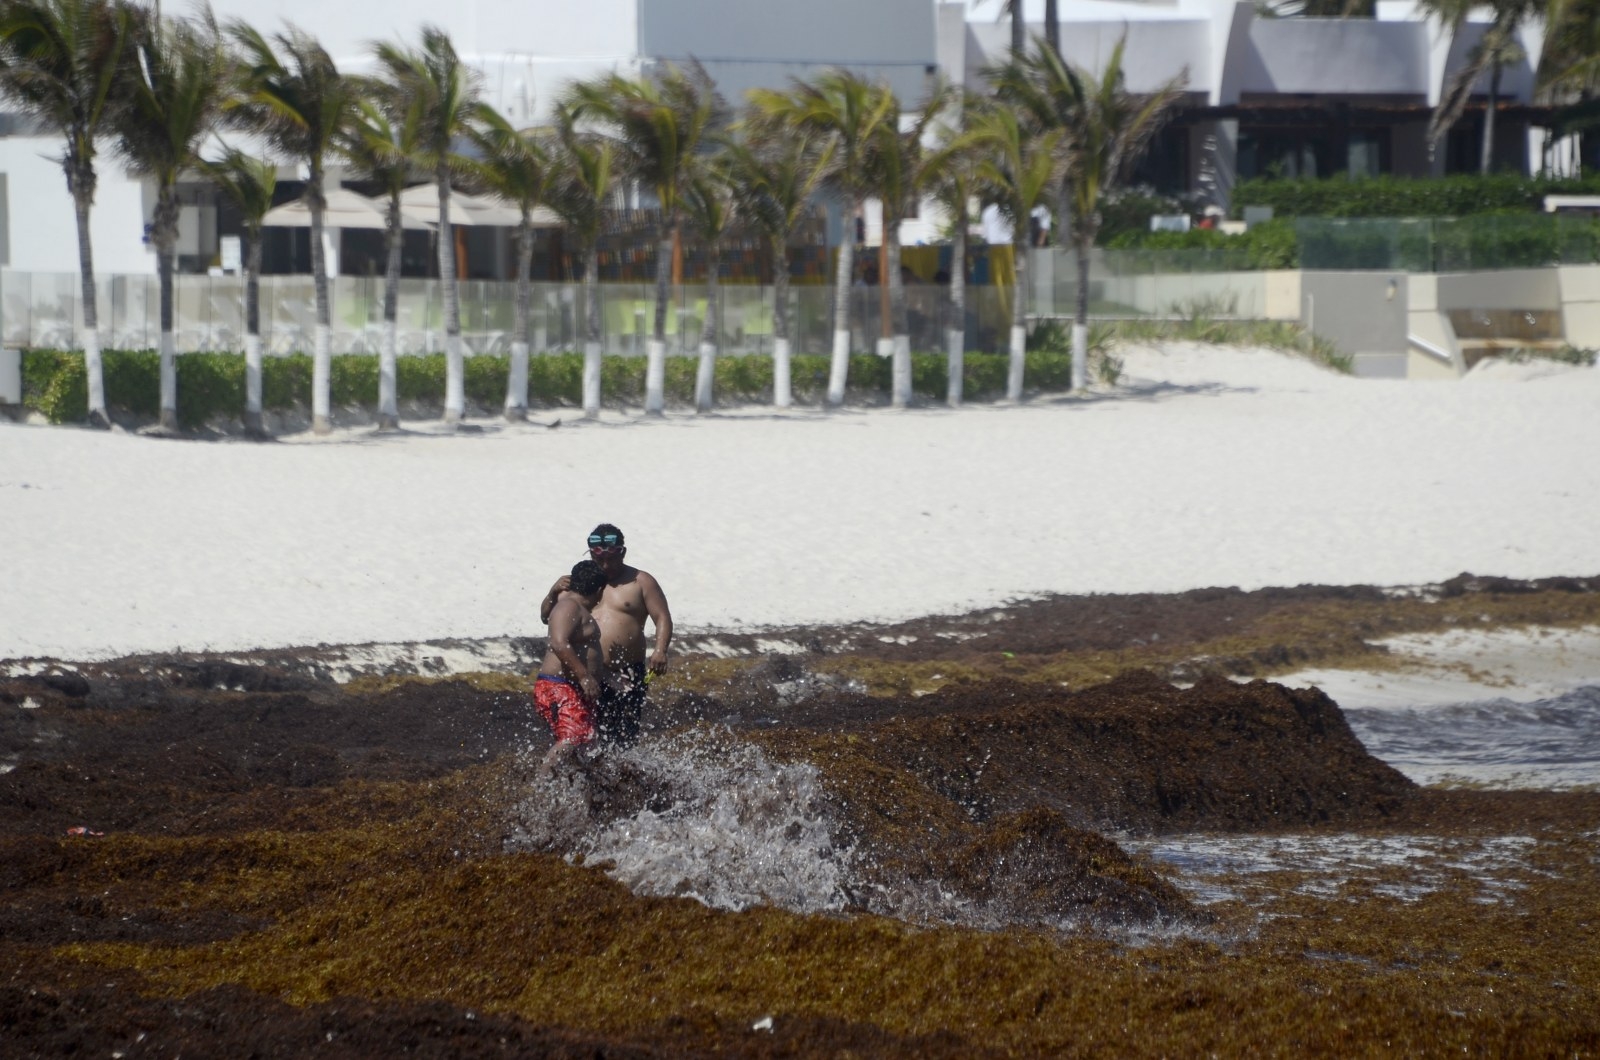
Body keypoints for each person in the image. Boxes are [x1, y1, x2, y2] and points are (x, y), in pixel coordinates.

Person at [540, 524, 673, 744]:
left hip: (626, 670)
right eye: (599, 559)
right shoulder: (577, 582)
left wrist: (660, 650)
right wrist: (552, 592)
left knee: (623, 736)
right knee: (580, 733)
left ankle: (619, 776)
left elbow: (662, 617)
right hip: (584, 671)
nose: (605, 565)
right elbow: (547, 616)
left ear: (623, 552)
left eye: (611, 559)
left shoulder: (640, 581)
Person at [533, 559, 609, 773]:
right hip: (559, 687)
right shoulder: (568, 606)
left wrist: (606, 676)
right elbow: (559, 642)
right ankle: (539, 786)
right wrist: (584, 676)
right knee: (573, 735)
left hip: (573, 687)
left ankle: (580, 794)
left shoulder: (576, 608)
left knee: (588, 741)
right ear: (599, 590)